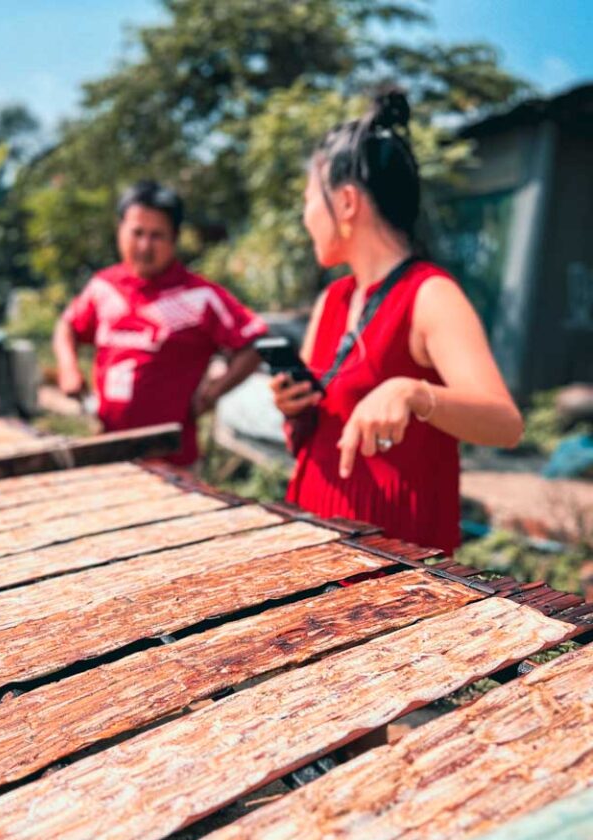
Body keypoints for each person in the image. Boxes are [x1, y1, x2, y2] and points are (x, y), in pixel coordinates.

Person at [271, 89, 523, 554]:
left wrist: (412, 392)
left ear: (346, 202)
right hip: (314, 535)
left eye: (309, 199)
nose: (306, 217)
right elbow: (319, 429)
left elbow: (506, 424)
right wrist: (294, 407)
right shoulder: (333, 299)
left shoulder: (430, 294)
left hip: (397, 558)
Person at [53, 180, 267, 466]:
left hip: (173, 462)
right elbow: (66, 326)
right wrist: (68, 368)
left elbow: (255, 345)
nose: (144, 245)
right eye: (137, 233)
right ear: (120, 231)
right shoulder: (102, 287)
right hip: (106, 454)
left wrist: (212, 395)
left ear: (174, 239)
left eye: (157, 236)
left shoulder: (200, 297)